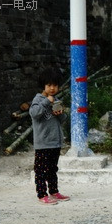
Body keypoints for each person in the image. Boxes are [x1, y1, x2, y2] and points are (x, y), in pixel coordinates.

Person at [29, 67, 70, 205]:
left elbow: (62, 120)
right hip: (43, 143)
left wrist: (61, 114)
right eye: (49, 85)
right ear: (44, 86)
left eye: (55, 85)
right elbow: (34, 113)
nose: (52, 88)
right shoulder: (38, 99)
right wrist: (47, 101)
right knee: (40, 170)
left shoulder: (56, 100)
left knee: (53, 169)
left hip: (55, 142)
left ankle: (54, 192)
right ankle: (42, 194)